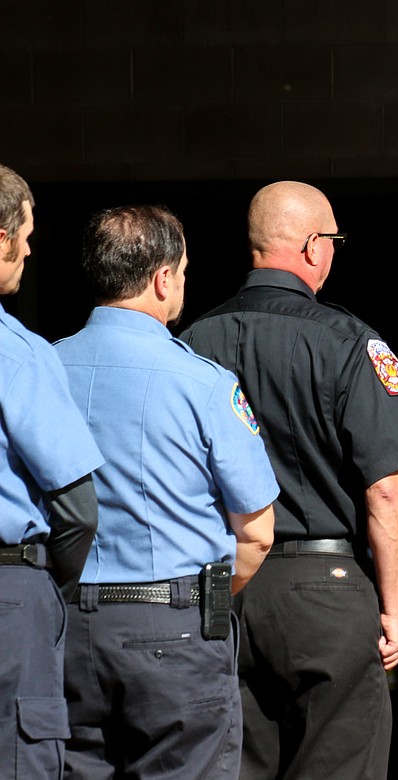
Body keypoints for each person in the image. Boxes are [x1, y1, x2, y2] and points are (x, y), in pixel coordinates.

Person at [180, 181, 398, 780]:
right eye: (332, 240)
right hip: (325, 592)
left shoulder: (193, 343)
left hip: (225, 590)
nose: (332, 253)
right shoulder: (348, 340)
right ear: (310, 246)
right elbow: (386, 488)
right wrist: (394, 608)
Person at [54, 204, 279, 779]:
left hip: (66, 627)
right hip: (173, 625)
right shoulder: (202, 382)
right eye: (182, 271)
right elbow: (255, 534)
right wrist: (203, 600)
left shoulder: (43, 368)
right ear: (162, 278)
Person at [0, 164, 104, 780]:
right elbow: (76, 509)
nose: (31, 248)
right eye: (26, 232)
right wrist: (45, 585)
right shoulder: (17, 349)